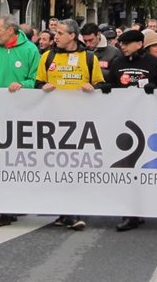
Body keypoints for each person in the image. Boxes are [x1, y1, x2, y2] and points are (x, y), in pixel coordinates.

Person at [37, 19, 104, 231]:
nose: (55, 37)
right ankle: (64, 212)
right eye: (55, 33)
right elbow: (37, 83)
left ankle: (73, 212)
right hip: (53, 123)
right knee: (59, 168)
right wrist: (42, 87)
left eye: (60, 33)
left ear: (72, 36)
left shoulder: (89, 58)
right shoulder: (48, 57)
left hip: (81, 124)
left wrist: (93, 88)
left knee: (75, 168)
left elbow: (101, 85)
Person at [0, 15, 40, 227]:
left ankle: (15, 203)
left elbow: (36, 78)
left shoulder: (30, 50)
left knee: (19, 162)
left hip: (23, 115)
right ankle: (3, 208)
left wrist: (24, 85)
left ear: (11, 31)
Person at [104, 29, 157, 232]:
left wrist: (155, 90)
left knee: (143, 168)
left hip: (148, 124)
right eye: (121, 44)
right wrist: (106, 88)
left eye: (126, 43)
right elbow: (113, 85)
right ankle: (130, 213)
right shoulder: (118, 63)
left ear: (139, 44)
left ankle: (144, 207)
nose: (122, 47)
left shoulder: (154, 65)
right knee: (127, 168)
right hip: (124, 126)